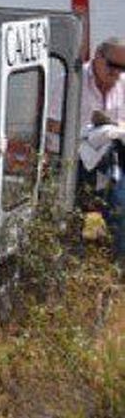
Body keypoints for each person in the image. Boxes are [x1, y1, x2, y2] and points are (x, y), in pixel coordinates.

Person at [78, 37, 125, 260]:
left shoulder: (123, 84)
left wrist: (113, 127)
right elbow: (50, 122)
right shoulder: (72, 80)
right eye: (113, 66)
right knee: (77, 214)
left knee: (119, 208)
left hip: (113, 158)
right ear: (98, 56)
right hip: (77, 158)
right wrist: (89, 128)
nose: (117, 74)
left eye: (122, 68)